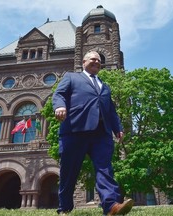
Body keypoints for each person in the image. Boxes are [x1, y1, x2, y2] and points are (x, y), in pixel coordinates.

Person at [52, 51, 133, 215]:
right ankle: (64, 208)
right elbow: (59, 94)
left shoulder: (104, 85)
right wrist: (59, 106)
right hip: (75, 130)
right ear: (83, 62)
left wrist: (118, 128)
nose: (97, 61)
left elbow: (111, 109)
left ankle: (111, 206)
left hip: (101, 134)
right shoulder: (71, 77)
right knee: (69, 172)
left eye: (99, 60)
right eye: (93, 59)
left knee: (105, 169)